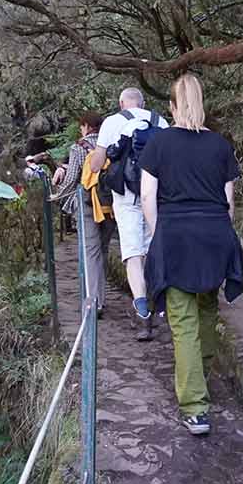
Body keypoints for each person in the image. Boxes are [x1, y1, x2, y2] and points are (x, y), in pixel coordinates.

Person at [139, 74, 243, 436]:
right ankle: (200, 379)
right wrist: (220, 236)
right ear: (202, 103)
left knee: (183, 321)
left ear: (172, 106)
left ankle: (196, 408)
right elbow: (229, 203)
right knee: (208, 309)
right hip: (215, 234)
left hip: (177, 236)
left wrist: (159, 235)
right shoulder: (220, 145)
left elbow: (147, 197)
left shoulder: (159, 143)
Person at [95, 87, 169, 340]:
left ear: (121, 103)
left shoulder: (112, 122)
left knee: (132, 253)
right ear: (143, 103)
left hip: (125, 195)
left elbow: (96, 164)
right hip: (156, 194)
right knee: (152, 248)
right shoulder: (161, 121)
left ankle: (143, 314)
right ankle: (161, 305)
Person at [45, 113, 113, 318]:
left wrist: (57, 196)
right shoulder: (111, 143)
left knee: (91, 252)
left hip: (88, 203)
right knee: (103, 250)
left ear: (86, 126)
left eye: (82, 126)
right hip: (110, 203)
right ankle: (101, 298)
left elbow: (72, 178)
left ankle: (94, 302)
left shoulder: (79, 147)